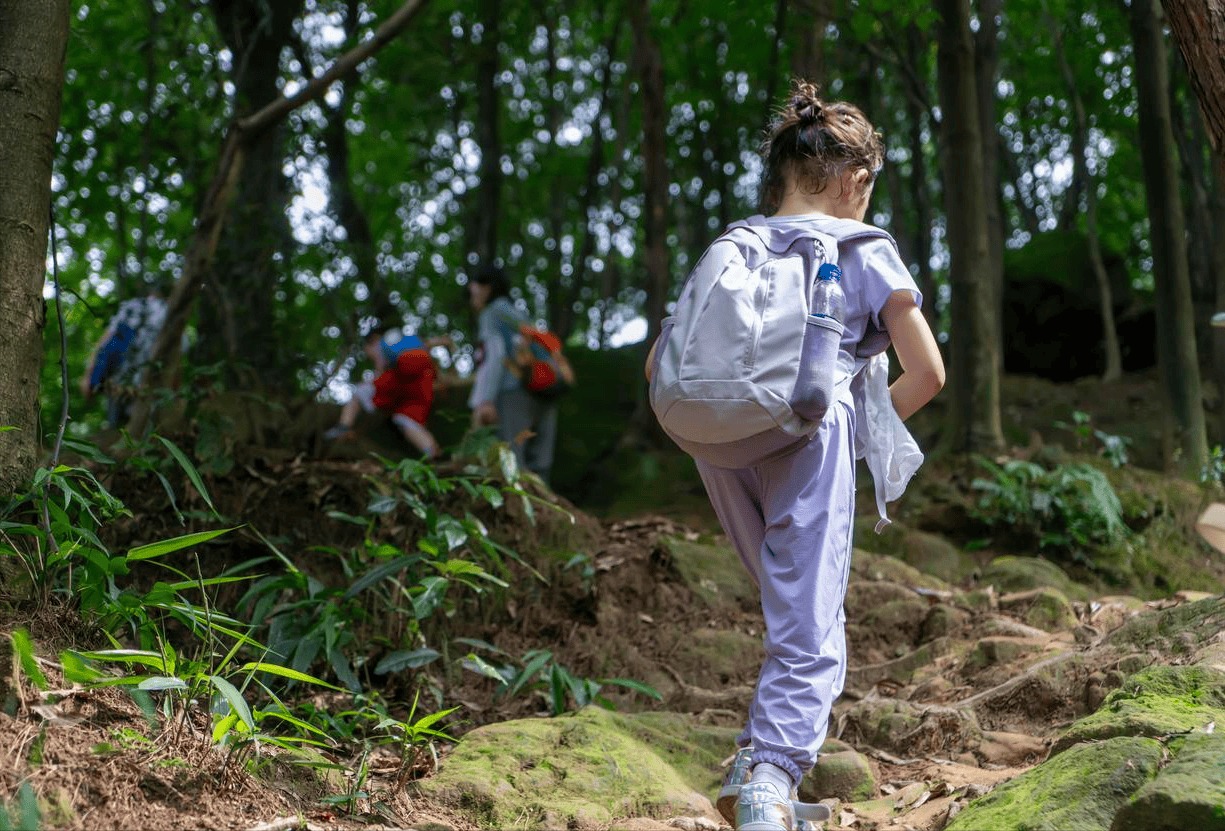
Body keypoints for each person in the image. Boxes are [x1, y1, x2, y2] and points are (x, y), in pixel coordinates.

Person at [646, 81, 945, 831]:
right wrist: (856, 432)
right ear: (853, 181)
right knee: (810, 624)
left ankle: (754, 760)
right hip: (808, 432)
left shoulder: (732, 247)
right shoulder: (864, 248)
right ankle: (770, 784)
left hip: (716, 439)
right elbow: (929, 373)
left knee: (785, 605)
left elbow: (659, 364)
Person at [468, 265, 559, 483]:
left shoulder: (492, 314)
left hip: (514, 389)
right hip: (546, 385)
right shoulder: (517, 314)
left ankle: (522, 512)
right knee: (540, 461)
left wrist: (485, 399)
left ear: (486, 289)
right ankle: (547, 511)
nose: (472, 294)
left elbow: (494, 356)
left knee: (513, 457)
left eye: (474, 289)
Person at [322, 327, 449, 460]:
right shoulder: (408, 342)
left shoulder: (382, 346)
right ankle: (433, 451)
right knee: (407, 418)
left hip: (401, 376)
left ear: (372, 342)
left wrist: (372, 382)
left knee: (359, 391)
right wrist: (439, 378)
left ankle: (343, 426)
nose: (368, 353)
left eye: (367, 350)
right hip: (419, 381)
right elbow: (429, 348)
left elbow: (381, 370)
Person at [80, 282, 169, 427]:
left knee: (117, 428)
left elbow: (106, 340)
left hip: (118, 377)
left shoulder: (132, 306)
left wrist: (89, 375)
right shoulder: (168, 313)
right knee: (142, 428)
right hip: (147, 381)